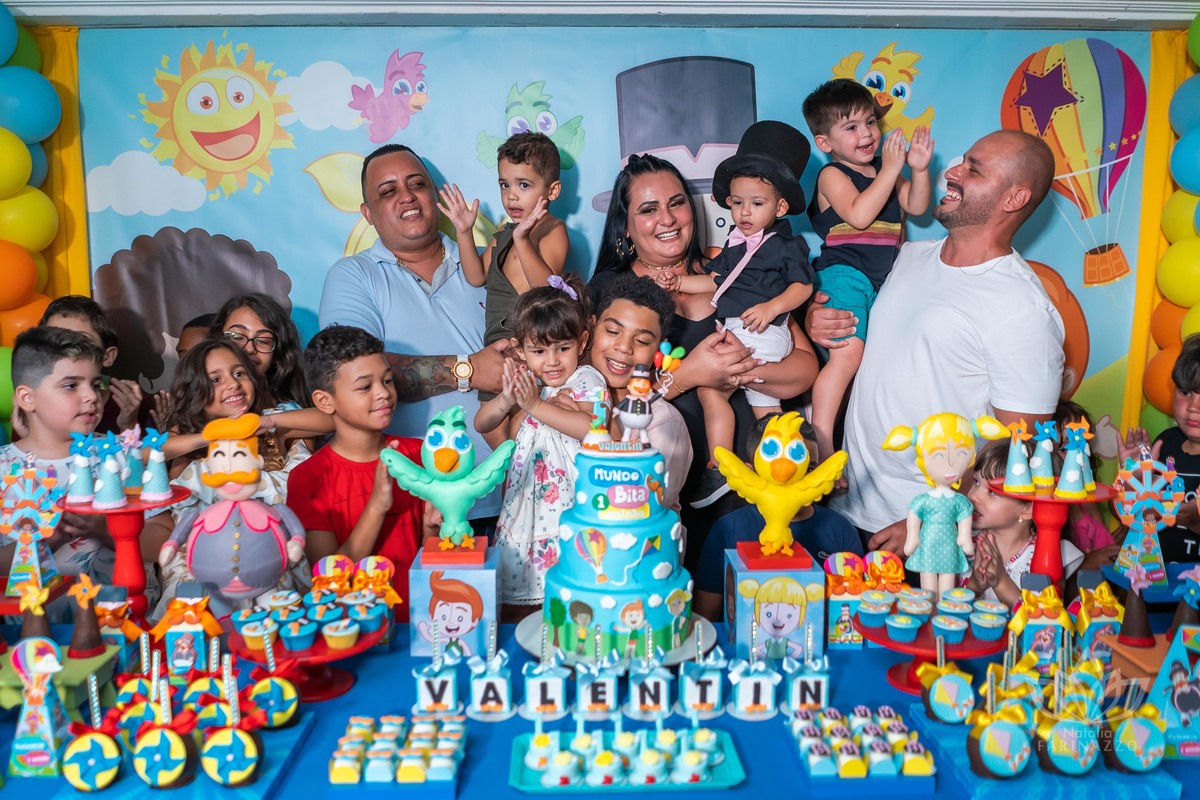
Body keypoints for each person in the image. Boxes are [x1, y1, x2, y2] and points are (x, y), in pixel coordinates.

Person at [811, 130, 1066, 553]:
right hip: (842, 507)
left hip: (926, 537)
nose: (951, 171)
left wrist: (931, 518)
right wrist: (818, 316)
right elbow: (854, 327)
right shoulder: (908, 256)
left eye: (973, 170)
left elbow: (1018, 450)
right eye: (962, 160)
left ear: (1014, 198)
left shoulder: (1023, 308)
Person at [588, 154, 818, 567]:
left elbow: (804, 369)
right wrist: (688, 376)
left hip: (758, 482)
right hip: (662, 493)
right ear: (625, 227)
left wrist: (740, 371)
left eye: (676, 203)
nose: (667, 218)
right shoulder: (610, 292)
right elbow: (604, 410)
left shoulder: (738, 270)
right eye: (648, 209)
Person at [319, 143, 509, 523]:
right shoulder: (354, 276)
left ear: (434, 195)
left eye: (416, 184)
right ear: (368, 213)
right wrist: (468, 369)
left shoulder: (490, 260)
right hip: (413, 509)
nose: (406, 196)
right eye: (388, 191)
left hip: (512, 497)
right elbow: (352, 380)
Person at [664, 122, 815, 506]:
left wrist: (772, 307)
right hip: (748, 330)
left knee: (711, 390)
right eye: (737, 203)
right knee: (766, 409)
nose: (744, 212)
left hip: (759, 329)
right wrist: (678, 282)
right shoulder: (737, 244)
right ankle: (782, 469)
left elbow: (803, 287)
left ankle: (719, 467)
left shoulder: (784, 246)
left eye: (757, 204)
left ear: (781, 207)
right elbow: (716, 281)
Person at [802, 80, 933, 462]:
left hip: (883, 283)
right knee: (847, 358)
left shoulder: (884, 171)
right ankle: (822, 442)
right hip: (843, 274)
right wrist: (890, 170)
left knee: (878, 361)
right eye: (852, 127)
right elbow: (859, 215)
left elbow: (917, 206)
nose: (867, 134)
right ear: (825, 142)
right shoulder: (832, 175)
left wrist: (918, 170)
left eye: (871, 123)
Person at [142, 338, 312, 618]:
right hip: (204, 557)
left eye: (239, 373)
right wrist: (211, 435)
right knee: (192, 602)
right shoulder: (186, 441)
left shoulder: (269, 425)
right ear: (195, 391)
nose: (232, 384)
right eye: (215, 379)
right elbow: (145, 453)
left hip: (265, 549)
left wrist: (269, 422)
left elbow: (329, 420)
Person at [476, 274, 605, 613]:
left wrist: (534, 405)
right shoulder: (528, 385)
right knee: (525, 604)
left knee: (573, 596)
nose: (552, 361)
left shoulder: (587, 379)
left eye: (563, 348)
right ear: (520, 350)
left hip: (570, 505)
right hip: (526, 506)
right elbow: (482, 423)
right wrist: (506, 399)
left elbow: (592, 429)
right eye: (538, 351)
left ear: (582, 341)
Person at [286, 325, 429, 619]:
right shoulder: (308, 479)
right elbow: (329, 580)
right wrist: (377, 506)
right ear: (325, 401)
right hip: (354, 630)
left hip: (422, 620)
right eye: (365, 387)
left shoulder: (420, 454)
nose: (384, 393)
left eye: (387, 380)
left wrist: (435, 525)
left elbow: (434, 555)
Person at [692, 413, 861, 621]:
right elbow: (705, 616)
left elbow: (851, 615)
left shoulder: (841, 530)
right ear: (750, 471)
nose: (793, 477)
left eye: (809, 469)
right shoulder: (727, 529)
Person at [0, 327, 115, 584]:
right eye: (71, 386)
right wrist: (42, 540)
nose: (91, 396)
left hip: (118, 609)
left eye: (96, 385)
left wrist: (106, 531)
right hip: (30, 610)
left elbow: (162, 539)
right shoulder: (3, 469)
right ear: (27, 398)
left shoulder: (118, 455)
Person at [439, 131, 569, 349]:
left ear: (553, 190)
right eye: (504, 185)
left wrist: (522, 240)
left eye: (524, 185)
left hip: (531, 342)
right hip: (495, 342)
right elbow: (476, 277)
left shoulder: (553, 229)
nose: (511, 196)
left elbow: (546, 290)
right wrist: (464, 232)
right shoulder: (505, 231)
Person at [584, 275, 693, 514]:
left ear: (660, 350)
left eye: (642, 340)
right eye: (613, 331)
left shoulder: (663, 422)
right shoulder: (564, 394)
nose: (624, 347)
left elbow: (644, 505)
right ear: (591, 328)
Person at [963, 442, 1085, 608]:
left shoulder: (1050, 555)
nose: (974, 496)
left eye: (992, 491)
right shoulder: (963, 543)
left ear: (1028, 509)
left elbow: (1044, 618)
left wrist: (1001, 583)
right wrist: (975, 586)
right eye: (976, 482)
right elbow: (949, 608)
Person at [1120, 333, 1200, 563]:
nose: (1193, 407)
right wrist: (1133, 479)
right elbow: (1134, 515)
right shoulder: (1165, 443)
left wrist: (1196, 521)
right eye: (1185, 392)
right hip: (1154, 577)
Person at [38, 295, 158, 435]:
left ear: (107, 356)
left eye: (80, 342)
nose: (65, 351)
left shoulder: (134, 404)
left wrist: (128, 426)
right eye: (53, 340)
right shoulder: (32, 400)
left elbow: (145, 449)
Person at [1053, 399, 1118, 556]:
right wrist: (1087, 562)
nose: (1077, 455)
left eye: (1082, 445)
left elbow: (1100, 548)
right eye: (1064, 449)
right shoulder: (1047, 510)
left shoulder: (1088, 498)